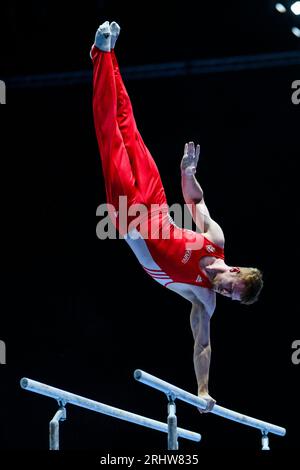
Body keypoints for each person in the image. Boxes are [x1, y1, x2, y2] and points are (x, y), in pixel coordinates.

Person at [91, 21, 264, 412]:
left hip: (132, 225)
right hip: (156, 204)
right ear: (235, 272)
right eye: (232, 290)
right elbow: (194, 204)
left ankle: (98, 54)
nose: (225, 294)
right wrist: (188, 172)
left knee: (110, 139)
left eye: (231, 299)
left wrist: (202, 390)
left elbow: (202, 343)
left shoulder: (204, 300)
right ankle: (111, 51)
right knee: (128, 127)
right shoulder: (215, 240)